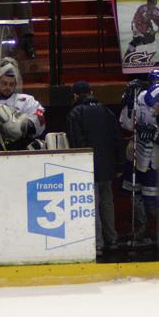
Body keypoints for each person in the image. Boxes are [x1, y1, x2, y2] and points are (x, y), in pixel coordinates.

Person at [65, 80, 125, 254]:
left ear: (75, 95)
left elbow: (76, 143)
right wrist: (120, 165)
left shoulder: (75, 113)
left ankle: (97, 243)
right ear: (91, 92)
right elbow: (118, 139)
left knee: (93, 205)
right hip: (108, 167)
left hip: (88, 167)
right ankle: (112, 239)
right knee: (107, 203)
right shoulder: (107, 111)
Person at [118, 69, 159, 246]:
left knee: (152, 196)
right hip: (136, 152)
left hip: (156, 156)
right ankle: (140, 230)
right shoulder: (140, 97)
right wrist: (128, 105)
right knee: (135, 193)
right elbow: (127, 124)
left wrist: (157, 131)